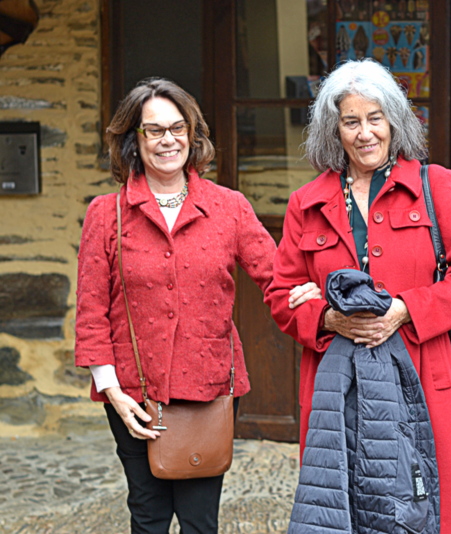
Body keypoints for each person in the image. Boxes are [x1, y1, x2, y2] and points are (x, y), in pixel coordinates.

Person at [74, 78, 318, 533]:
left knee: (200, 521)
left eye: (177, 128)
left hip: (210, 386)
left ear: (192, 134)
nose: (167, 140)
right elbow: (91, 309)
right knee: (147, 515)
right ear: (133, 140)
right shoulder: (105, 214)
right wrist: (111, 391)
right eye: (153, 130)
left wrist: (313, 294)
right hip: (133, 393)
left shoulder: (229, 207)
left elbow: (277, 276)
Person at [265, 58, 451, 533]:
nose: (365, 133)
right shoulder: (306, 203)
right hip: (338, 382)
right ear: (335, 130)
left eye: (375, 118)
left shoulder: (435, 185)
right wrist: (327, 318)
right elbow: (281, 293)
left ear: (394, 121)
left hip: (420, 372)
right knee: (344, 509)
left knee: (422, 503)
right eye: (351, 121)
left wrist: (404, 310)